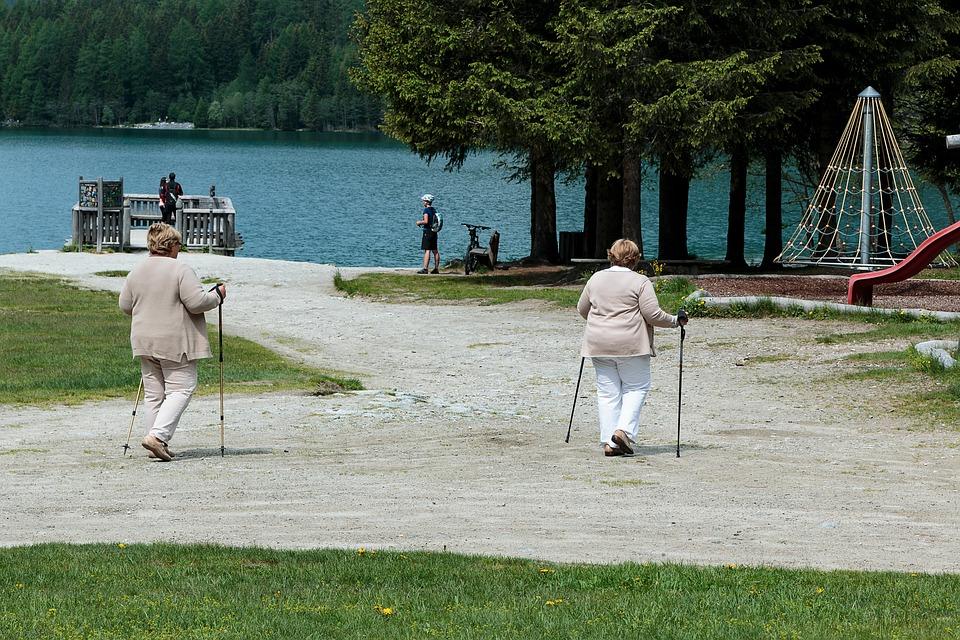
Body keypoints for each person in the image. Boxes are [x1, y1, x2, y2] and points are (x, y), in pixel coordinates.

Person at [119, 223, 226, 461]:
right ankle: (157, 437)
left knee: (154, 394)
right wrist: (217, 295)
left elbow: (125, 306)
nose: (180, 247)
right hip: (174, 341)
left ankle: (156, 441)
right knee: (182, 388)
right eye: (178, 243)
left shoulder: (136, 271)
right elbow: (197, 302)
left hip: (144, 341)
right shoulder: (180, 269)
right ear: (170, 246)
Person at [576, 238, 688, 457]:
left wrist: (601, 321)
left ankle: (611, 442)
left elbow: (582, 309)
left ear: (611, 255)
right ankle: (623, 432)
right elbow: (652, 315)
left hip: (598, 343)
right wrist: (676, 320)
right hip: (631, 345)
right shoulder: (640, 281)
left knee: (607, 393)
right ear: (635, 259)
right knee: (636, 388)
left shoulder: (596, 278)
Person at [415, 193, 440, 274]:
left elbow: (426, 221)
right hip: (434, 231)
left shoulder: (426, 210)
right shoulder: (434, 210)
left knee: (427, 250)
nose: (423, 202)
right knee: (435, 250)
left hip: (428, 232)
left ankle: (425, 269)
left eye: (423, 201)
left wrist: (419, 222)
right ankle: (436, 269)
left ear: (426, 201)